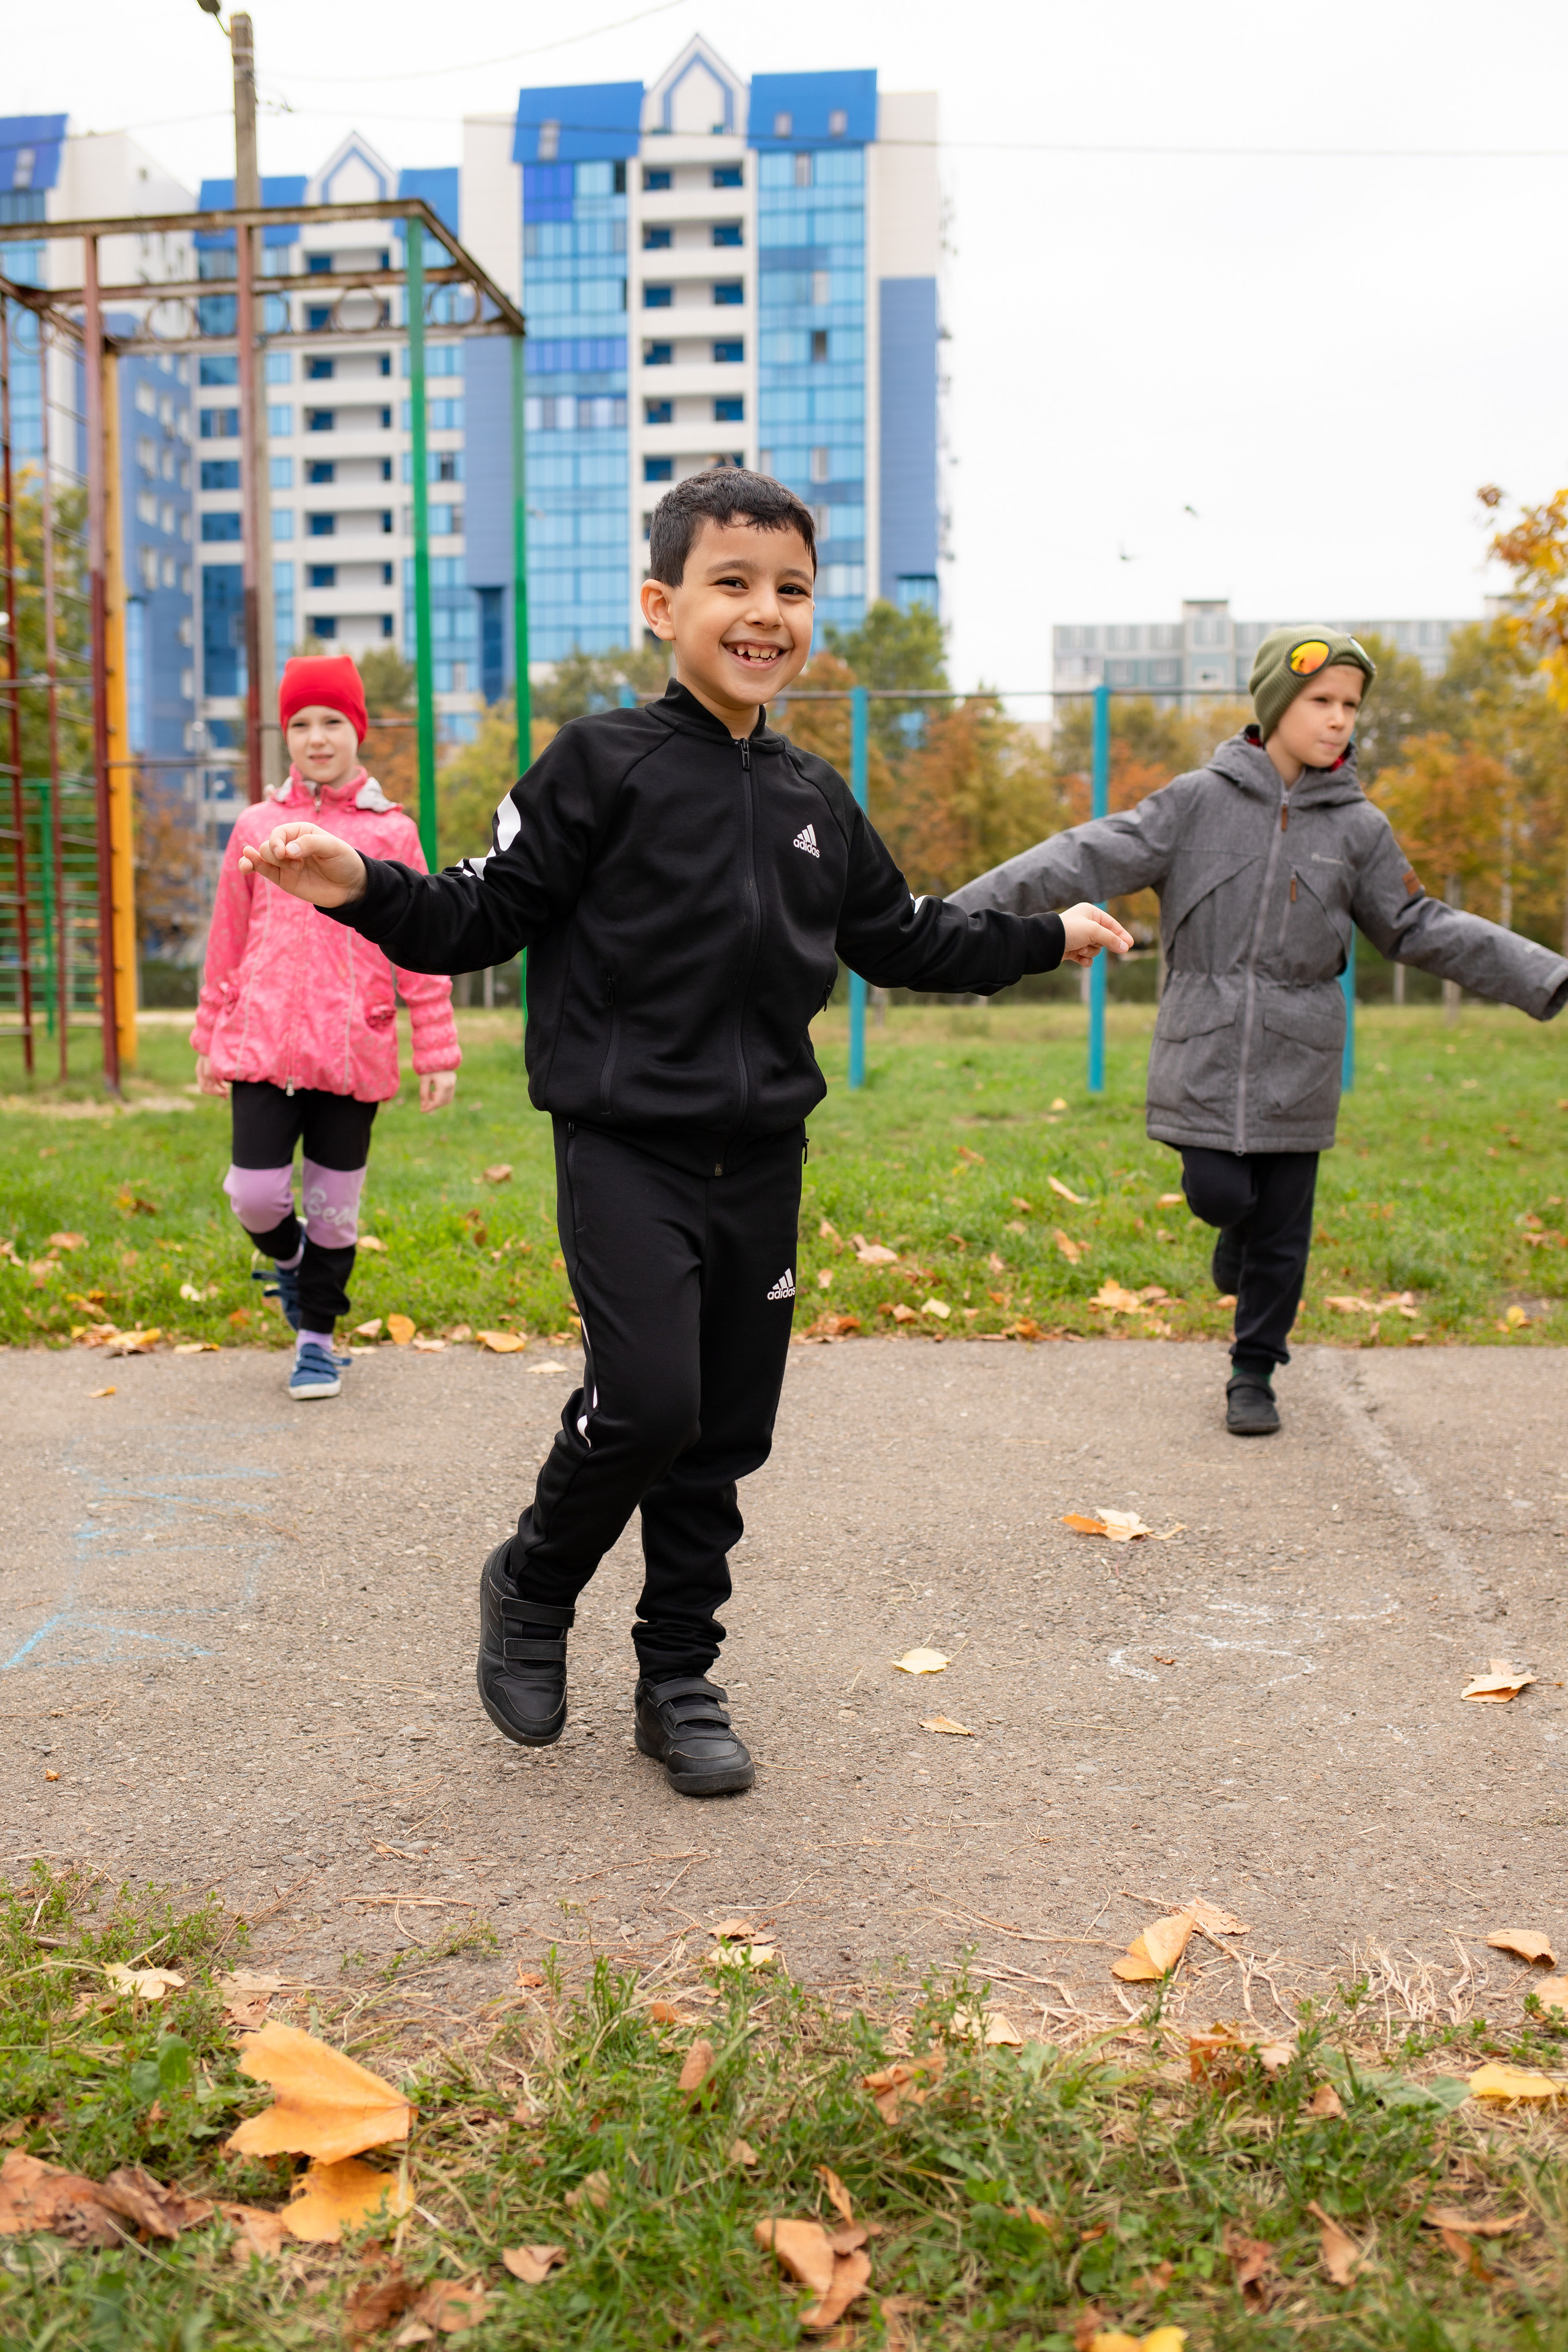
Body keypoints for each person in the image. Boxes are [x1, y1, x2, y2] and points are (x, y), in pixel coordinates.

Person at [235, 470, 1131, 1795]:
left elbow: (901, 937)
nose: (765, 612)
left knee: (721, 1433)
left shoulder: (814, 793)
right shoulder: (601, 764)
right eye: (732, 584)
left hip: (759, 1158)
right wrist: (362, 884)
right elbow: (483, 913)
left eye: (791, 590)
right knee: (649, 1402)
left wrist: (1043, 937)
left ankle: (678, 1679)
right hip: (624, 1148)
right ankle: (532, 1584)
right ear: (662, 606)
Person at [951, 628, 1568, 1436]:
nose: (1339, 719)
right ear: (1277, 705)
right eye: (1321, 700)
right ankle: (1232, 1240)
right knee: (1221, 1195)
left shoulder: (1360, 830)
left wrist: (1545, 974)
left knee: (1283, 1234)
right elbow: (1078, 858)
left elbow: (1419, 924)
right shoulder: (1193, 803)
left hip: (1300, 1060)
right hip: (1201, 1049)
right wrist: (949, 917)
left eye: (1351, 705)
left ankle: (1254, 1372)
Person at [192, 652, 459, 1401]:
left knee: (336, 1211)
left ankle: (316, 1340)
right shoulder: (256, 826)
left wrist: (435, 1046)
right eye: (301, 723)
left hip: (353, 1051)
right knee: (255, 1194)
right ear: (285, 734)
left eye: (333, 721)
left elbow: (421, 941)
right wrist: (211, 1033)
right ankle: (292, 1262)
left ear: (358, 730)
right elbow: (227, 935)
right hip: (261, 1047)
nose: (317, 737)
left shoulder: (392, 832)